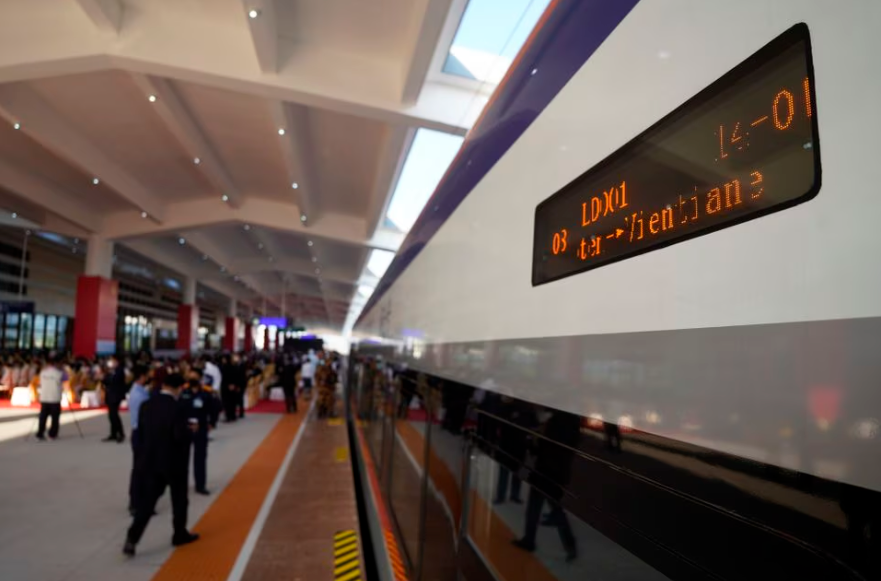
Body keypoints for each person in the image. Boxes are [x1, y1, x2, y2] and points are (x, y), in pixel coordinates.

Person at [123, 374, 199, 557]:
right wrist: (191, 431)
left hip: (151, 462)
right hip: (174, 463)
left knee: (147, 503)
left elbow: (139, 432)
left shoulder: (146, 405)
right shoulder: (177, 407)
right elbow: (179, 436)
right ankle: (179, 534)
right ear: (178, 388)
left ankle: (132, 538)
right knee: (179, 500)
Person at [181, 374, 211, 495]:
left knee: (200, 458)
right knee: (182, 459)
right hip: (185, 429)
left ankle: (200, 485)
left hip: (201, 429)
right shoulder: (183, 393)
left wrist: (211, 423)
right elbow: (178, 410)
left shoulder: (205, 394)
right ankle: (182, 484)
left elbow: (213, 408)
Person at [127, 365, 151, 515]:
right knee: (139, 469)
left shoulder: (140, 391)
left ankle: (140, 500)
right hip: (141, 433)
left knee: (143, 469)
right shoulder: (139, 395)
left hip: (140, 432)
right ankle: (135, 503)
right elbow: (145, 417)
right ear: (142, 376)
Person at [35, 356, 65, 441]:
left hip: (44, 397)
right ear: (56, 364)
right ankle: (52, 434)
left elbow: (40, 383)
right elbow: (66, 379)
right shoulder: (59, 373)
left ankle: (40, 433)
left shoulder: (42, 373)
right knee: (55, 417)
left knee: (43, 417)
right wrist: (62, 369)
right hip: (54, 398)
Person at [103, 355, 127, 443]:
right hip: (110, 395)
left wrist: (110, 375)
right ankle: (113, 433)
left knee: (114, 415)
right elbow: (105, 381)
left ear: (117, 361)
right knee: (111, 415)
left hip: (116, 395)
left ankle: (121, 433)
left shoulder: (120, 371)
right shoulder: (110, 371)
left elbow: (115, 381)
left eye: (112, 360)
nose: (111, 362)